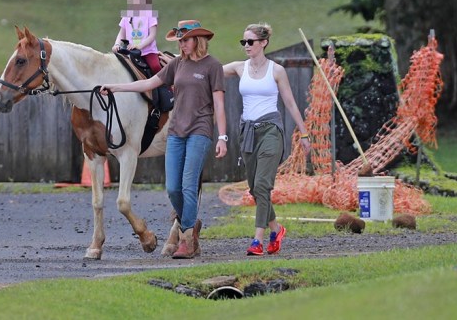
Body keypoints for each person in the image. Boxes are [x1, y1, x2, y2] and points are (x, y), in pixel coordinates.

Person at [101, 19, 228, 259]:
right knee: (172, 189)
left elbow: (219, 105)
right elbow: (150, 83)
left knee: (189, 187)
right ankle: (191, 227)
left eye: (185, 40)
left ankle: (187, 239)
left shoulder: (213, 66)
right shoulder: (177, 64)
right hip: (176, 133)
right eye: (179, 40)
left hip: (199, 131)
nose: (181, 44)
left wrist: (222, 136)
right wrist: (115, 87)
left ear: (197, 40)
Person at [223, 22, 311, 256]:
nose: (246, 46)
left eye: (250, 42)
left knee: (263, 185)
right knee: (255, 188)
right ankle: (277, 229)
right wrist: (182, 62)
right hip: (248, 132)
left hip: (271, 130)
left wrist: (303, 133)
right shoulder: (239, 68)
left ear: (263, 43)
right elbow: (210, 70)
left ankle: (257, 240)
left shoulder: (277, 70)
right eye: (243, 42)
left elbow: (290, 103)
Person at [111, 0, 161, 74]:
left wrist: (140, 46)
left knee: (155, 67)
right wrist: (117, 44)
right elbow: (122, 33)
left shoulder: (150, 14)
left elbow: (152, 36)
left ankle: (166, 88)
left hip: (147, 51)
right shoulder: (127, 14)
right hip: (130, 51)